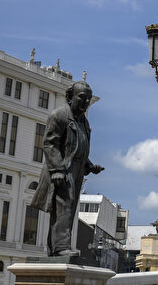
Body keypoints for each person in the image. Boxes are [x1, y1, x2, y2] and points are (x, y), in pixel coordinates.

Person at [30, 80, 103, 257]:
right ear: (70, 97)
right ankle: (60, 247)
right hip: (63, 168)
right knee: (64, 206)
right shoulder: (59, 115)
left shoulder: (83, 121)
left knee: (69, 206)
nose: (86, 102)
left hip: (77, 168)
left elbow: (77, 147)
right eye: (82, 98)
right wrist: (57, 170)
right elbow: (49, 144)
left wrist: (89, 165)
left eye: (88, 99)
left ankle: (56, 248)